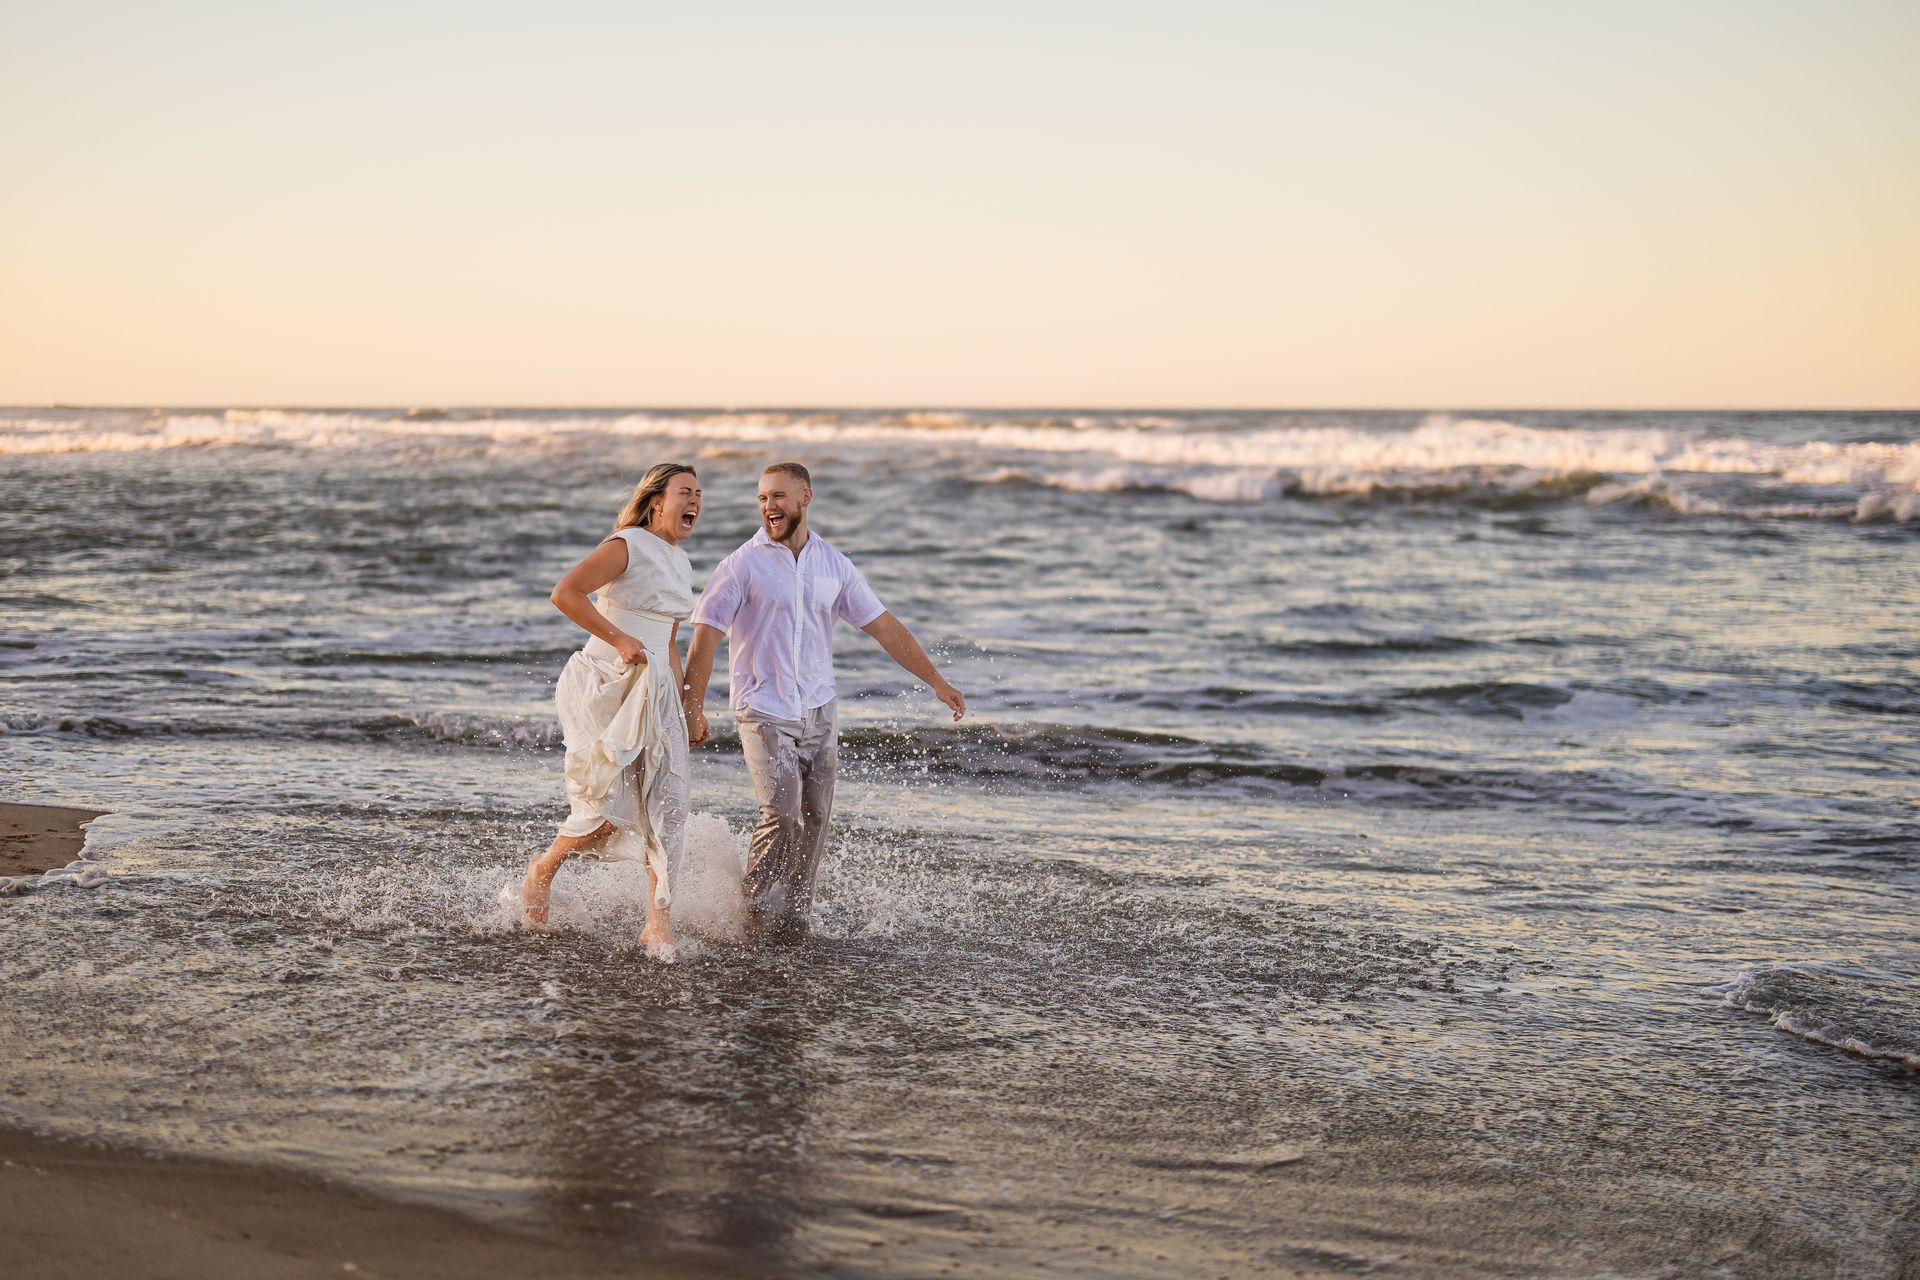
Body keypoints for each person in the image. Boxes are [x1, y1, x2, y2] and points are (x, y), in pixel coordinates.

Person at [682, 462, 965, 939]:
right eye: (762, 498)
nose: (769, 506)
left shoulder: (834, 565)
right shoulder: (741, 565)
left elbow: (884, 628)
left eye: (778, 496)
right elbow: (705, 636)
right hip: (763, 709)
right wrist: (693, 704)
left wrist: (935, 680)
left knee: (815, 820)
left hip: (819, 709)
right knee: (783, 814)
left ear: (805, 497)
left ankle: (794, 917)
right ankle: (750, 907)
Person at [520, 463, 703, 962]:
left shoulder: (681, 563)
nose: (695, 502)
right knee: (607, 813)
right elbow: (566, 593)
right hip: (603, 683)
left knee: (670, 805)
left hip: (656, 691)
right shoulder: (627, 543)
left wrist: (686, 703)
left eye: (699, 495)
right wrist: (620, 638)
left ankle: (657, 924)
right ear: (657, 501)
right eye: (685, 492)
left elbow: (669, 641)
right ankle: (544, 869)